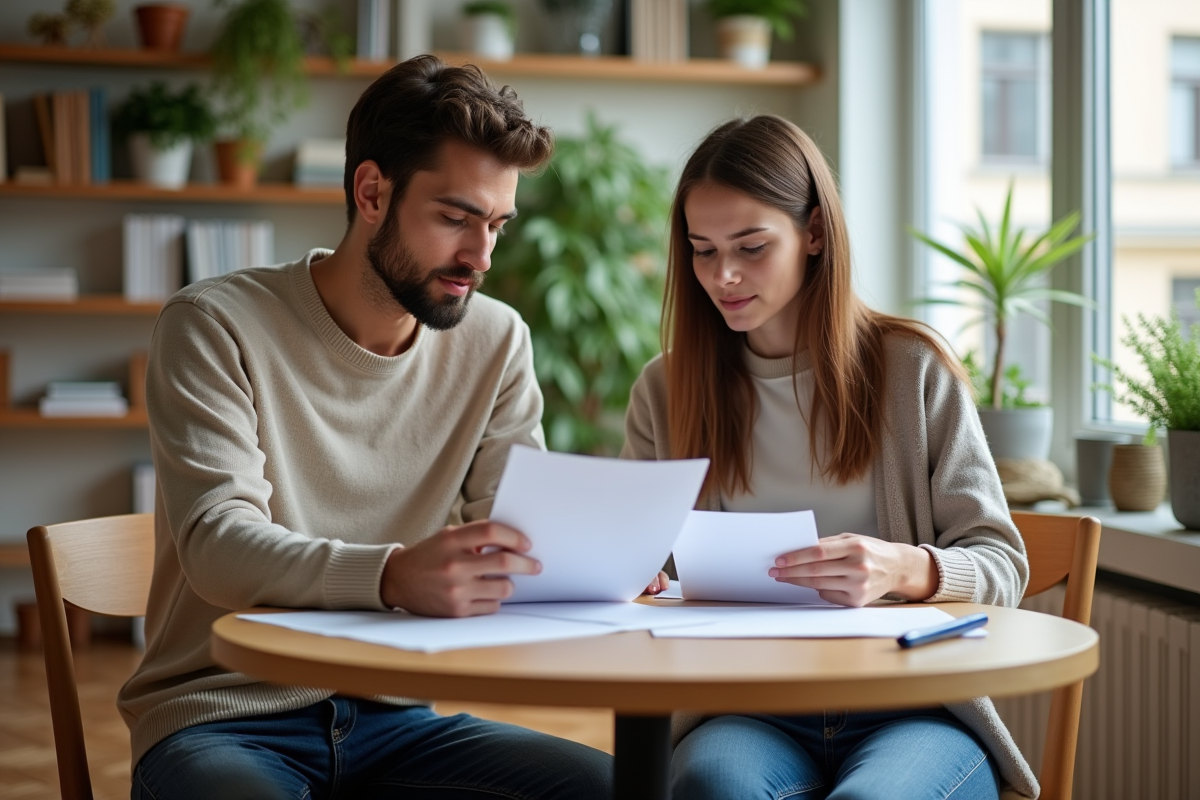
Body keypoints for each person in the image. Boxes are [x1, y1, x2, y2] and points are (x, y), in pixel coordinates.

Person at [118, 56, 613, 800]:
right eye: (454, 218)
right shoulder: (216, 324)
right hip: (223, 716)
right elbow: (217, 546)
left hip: (399, 716)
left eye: (497, 225)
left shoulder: (496, 340)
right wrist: (390, 575)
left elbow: (516, 534)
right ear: (372, 192)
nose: (480, 257)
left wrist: (595, 559)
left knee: (614, 785)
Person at [624, 115, 1038, 800]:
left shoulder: (912, 371)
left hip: (913, 707)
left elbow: (1004, 565)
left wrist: (902, 567)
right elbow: (640, 576)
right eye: (702, 250)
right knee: (710, 787)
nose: (723, 275)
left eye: (751, 247)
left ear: (814, 232)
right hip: (745, 708)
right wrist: (628, 574)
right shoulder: (666, 389)